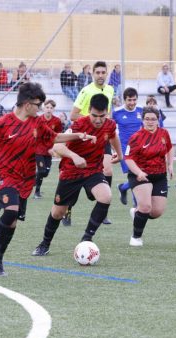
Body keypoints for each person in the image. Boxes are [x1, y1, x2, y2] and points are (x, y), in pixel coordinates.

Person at [0, 81, 97, 277]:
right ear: (28, 103)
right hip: (4, 175)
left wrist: (79, 136)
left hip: (26, 179)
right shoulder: (3, 123)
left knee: (12, 223)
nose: (39, 109)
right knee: (10, 211)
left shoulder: (37, 123)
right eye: (38, 105)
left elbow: (54, 137)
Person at [32, 93, 121, 257]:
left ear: (107, 113)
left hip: (93, 170)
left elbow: (113, 136)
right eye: (94, 115)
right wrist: (74, 156)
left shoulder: (110, 125)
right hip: (71, 172)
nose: (98, 120)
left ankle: (87, 239)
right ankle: (44, 244)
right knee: (58, 213)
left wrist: (120, 154)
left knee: (106, 196)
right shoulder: (79, 125)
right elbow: (57, 146)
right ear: (89, 111)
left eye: (102, 116)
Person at [70, 60, 115, 225]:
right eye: (98, 73)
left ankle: (103, 212)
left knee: (108, 170)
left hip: (102, 136)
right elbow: (73, 115)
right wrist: (93, 120)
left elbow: (106, 114)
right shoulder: (86, 91)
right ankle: (67, 208)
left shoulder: (110, 90)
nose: (101, 75)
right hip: (84, 138)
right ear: (93, 74)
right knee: (75, 175)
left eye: (103, 72)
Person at [124, 107, 174, 247]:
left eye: (153, 119)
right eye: (147, 119)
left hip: (159, 176)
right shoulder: (136, 137)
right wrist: (139, 172)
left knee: (156, 212)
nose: (150, 122)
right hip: (140, 176)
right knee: (146, 207)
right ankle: (136, 237)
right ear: (142, 120)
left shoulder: (164, 133)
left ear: (158, 120)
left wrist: (170, 165)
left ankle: (136, 212)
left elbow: (169, 149)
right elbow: (128, 158)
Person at [113, 87, 144, 206]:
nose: (132, 103)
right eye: (129, 100)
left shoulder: (141, 111)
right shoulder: (117, 112)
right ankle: (137, 205)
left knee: (138, 175)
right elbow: (109, 129)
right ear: (124, 100)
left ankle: (123, 188)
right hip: (124, 149)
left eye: (134, 100)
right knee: (135, 175)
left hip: (139, 149)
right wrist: (114, 149)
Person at [34, 100, 64, 199]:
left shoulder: (57, 121)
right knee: (42, 171)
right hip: (38, 149)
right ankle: (36, 192)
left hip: (49, 150)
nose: (49, 109)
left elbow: (59, 136)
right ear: (43, 108)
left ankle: (34, 179)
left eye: (51, 108)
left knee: (45, 173)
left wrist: (54, 149)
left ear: (53, 109)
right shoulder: (38, 120)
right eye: (47, 107)